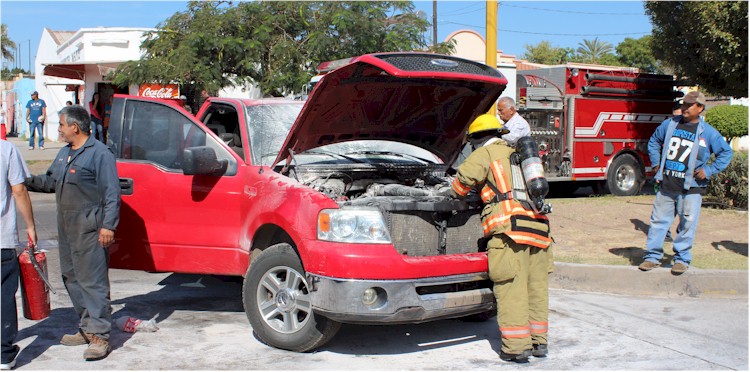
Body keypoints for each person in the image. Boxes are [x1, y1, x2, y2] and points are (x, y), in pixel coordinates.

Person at [450, 114, 552, 363]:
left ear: (475, 139)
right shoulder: (520, 154)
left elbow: (460, 185)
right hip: (539, 228)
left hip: (509, 231)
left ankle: (516, 347)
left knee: (511, 288)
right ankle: (539, 342)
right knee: (535, 288)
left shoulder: (485, 154)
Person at [25, 105, 121, 361]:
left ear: (74, 127)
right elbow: (50, 182)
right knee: (71, 277)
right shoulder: (65, 153)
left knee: (93, 281)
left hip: (90, 228)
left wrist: (108, 226)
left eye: (61, 125)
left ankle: (100, 335)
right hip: (66, 228)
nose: (58, 130)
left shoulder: (100, 154)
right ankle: (88, 328)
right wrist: (23, 178)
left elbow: (112, 193)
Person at [639, 92, 732, 275]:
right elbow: (654, 142)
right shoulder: (670, 124)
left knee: (687, 224)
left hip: (692, 188)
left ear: (700, 108)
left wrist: (709, 170)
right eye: (684, 104)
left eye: (690, 105)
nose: (685, 108)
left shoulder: (709, 132)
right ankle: (652, 257)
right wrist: (657, 163)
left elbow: (726, 153)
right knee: (658, 222)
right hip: (667, 185)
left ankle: (681, 260)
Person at [1, 140, 37, 370]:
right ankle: (3, 355)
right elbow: (19, 189)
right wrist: (30, 225)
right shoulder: (6, 150)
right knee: (3, 294)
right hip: (1, 240)